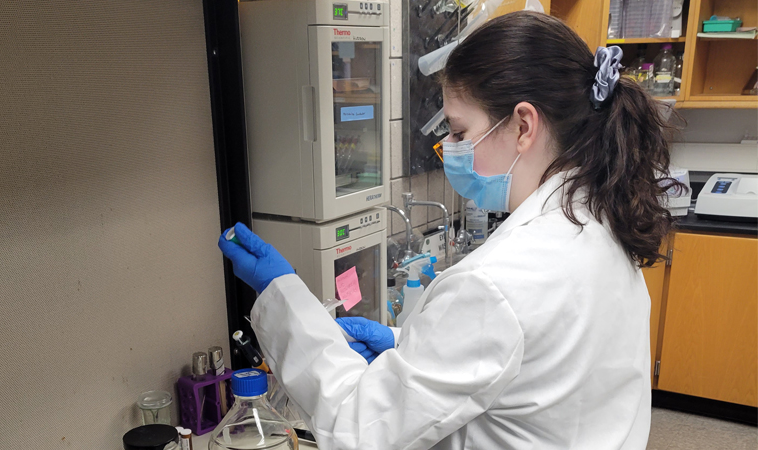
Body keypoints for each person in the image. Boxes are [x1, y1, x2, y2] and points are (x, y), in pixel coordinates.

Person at [219, 11, 680, 450]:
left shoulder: (496, 282)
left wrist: (283, 296)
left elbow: (358, 426)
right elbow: (529, 363)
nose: (450, 148)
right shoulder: (597, 222)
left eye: (459, 132)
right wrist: (403, 345)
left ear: (523, 124)